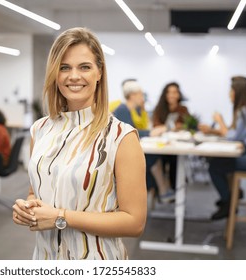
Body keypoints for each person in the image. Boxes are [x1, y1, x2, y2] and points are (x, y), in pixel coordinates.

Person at [12, 27, 147, 260]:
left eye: (84, 67)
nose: (73, 76)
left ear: (99, 72)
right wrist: (28, 208)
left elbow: (134, 223)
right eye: (64, 67)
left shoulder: (121, 137)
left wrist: (60, 217)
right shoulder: (40, 130)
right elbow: (36, 191)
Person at [199, 76, 246, 220]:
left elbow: (233, 137)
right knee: (221, 163)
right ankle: (233, 194)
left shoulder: (244, 111)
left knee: (215, 166)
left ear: (236, 92)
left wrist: (219, 121)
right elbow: (236, 133)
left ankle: (228, 202)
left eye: (230, 90)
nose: (229, 94)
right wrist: (214, 130)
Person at [113, 80, 174, 202]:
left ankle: (161, 190)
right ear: (132, 95)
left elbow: (138, 128)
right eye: (140, 94)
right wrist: (150, 133)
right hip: (122, 154)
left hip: (128, 149)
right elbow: (129, 132)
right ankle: (161, 190)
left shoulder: (134, 110)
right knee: (153, 157)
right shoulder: (122, 110)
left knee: (156, 157)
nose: (143, 97)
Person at [152, 82, 190, 190]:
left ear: (178, 94)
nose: (171, 95)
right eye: (169, 92)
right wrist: (169, 127)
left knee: (176, 159)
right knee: (160, 159)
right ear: (165, 94)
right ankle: (163, 188)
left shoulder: (183, 109)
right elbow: (156, 126)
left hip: (178, 145)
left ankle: (175, 188)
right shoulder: (159, 109)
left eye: (174, 92)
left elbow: (189, 126)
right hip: (162, 145)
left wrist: (179, 127)